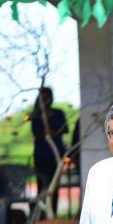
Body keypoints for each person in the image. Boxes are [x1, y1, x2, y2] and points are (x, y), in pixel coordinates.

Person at [31, 87, 69, 216]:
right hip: (41, 156)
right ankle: (41, 216)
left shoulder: (58, 113)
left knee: (54, 187)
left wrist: (53, 128)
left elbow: (65, 129)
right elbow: (37, 133)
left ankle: (53, 214)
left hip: (56, 155)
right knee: (42, 186)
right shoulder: (36, 115)